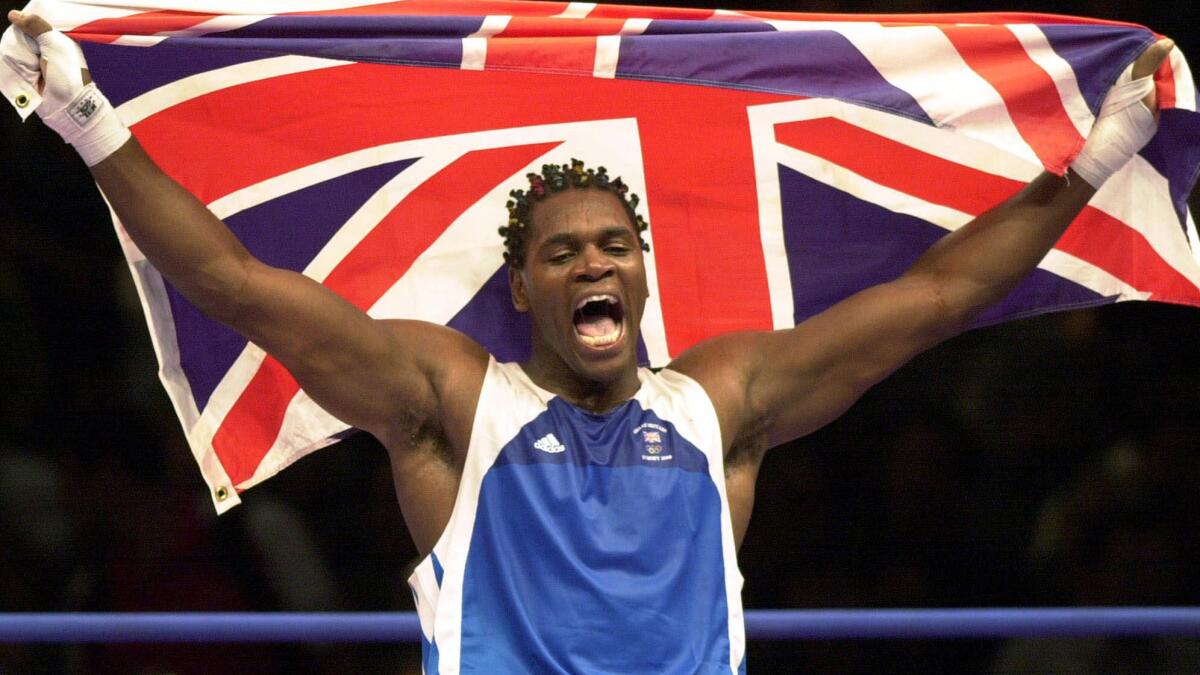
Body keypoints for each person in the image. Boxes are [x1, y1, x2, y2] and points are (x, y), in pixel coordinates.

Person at [4, 9, 1174, 673]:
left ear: (644, 265)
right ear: (523, 286)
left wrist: (1093, 159)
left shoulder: (725, 399)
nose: (593, 264)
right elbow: (233, 282)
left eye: (613, 244)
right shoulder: (452, 402)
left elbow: (938, 296)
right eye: (563, 254)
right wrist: (84, 116)